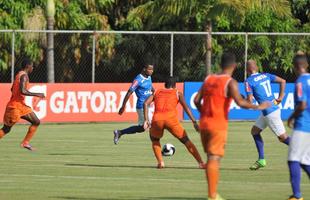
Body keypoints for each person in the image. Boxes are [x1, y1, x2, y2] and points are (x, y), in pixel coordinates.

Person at [194, 53, 270, 200]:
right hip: (217, 125)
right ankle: (212, 195)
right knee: (214, 158)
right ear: (234, 66)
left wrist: (203, 113)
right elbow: (241, 103)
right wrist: (258, 106)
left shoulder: (208, 79)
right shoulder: (230, 82)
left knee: (210, 157)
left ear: (220, 64)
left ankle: (213, 194)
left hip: (204, 123)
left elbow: (197, 100)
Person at [143, 77, 204, 169]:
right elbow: (186, 107)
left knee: (155, 140)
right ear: (175, 85)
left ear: (165, 85)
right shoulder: (177, 93)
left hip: (157, 120)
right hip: (171, 120)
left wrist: (146, 119)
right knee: (186, 140)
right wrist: (194, 122)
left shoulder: (157, 92)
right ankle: (201, 163)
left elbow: (145, 103)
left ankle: (161, 162)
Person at [245, 60, 290, 170]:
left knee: (283, 138)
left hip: (270, 113)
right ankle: (261, 160)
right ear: (256, 67)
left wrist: (242, 99)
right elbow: (283, 81)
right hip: (271, 109)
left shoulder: (248, 81)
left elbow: (250, 101)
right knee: (255, 131)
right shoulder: (266, 75)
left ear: (247, 69)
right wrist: (280, 97)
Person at [0, 58, 45, 151]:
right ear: (27, 66)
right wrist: (37, 94)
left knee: (36, 121)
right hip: (14, 107)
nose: (33, 68)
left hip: (21, 105)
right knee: (6, 129)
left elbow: (12, 89)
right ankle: (25, 142)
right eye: (32, 66)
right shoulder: (24, 76)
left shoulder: (19, 75)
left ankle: (25, 143)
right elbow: (23, 91)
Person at [287, 53, 310, 200]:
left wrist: (291, 117)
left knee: (293, 159)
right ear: (306, 65)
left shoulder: (300, 82)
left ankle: (297, 196)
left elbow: (302, 104)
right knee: (304, 160)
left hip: (303, 125)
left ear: (295, 67)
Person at [113, 64, 154, 144]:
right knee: (150, 124)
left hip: (148, 105)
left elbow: (150, 87)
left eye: (152, 69)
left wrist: (153, 91)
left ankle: (119, 132)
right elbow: (129, 92)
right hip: (142, 106)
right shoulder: (138, 80)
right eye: (150, 69)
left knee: (142, 128)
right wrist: (123, 106)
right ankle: (155, 145)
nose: (151, 71)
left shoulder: (149, 77)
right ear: (144, 69)